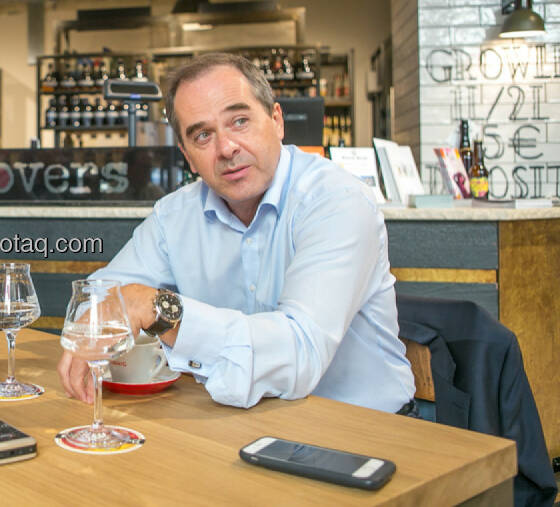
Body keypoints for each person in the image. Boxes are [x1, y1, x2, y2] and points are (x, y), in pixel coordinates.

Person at [57, 53, 415, 413]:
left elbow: (300, 353)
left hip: (361, 428)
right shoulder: (175, 215)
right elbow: (92, 306)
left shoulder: (336, 200)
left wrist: (159, 312)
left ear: (276, 120)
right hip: (234, 424)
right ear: (186, 154)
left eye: (239, 121)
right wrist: (113, 316)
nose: (226, 148)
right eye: (202, 135)